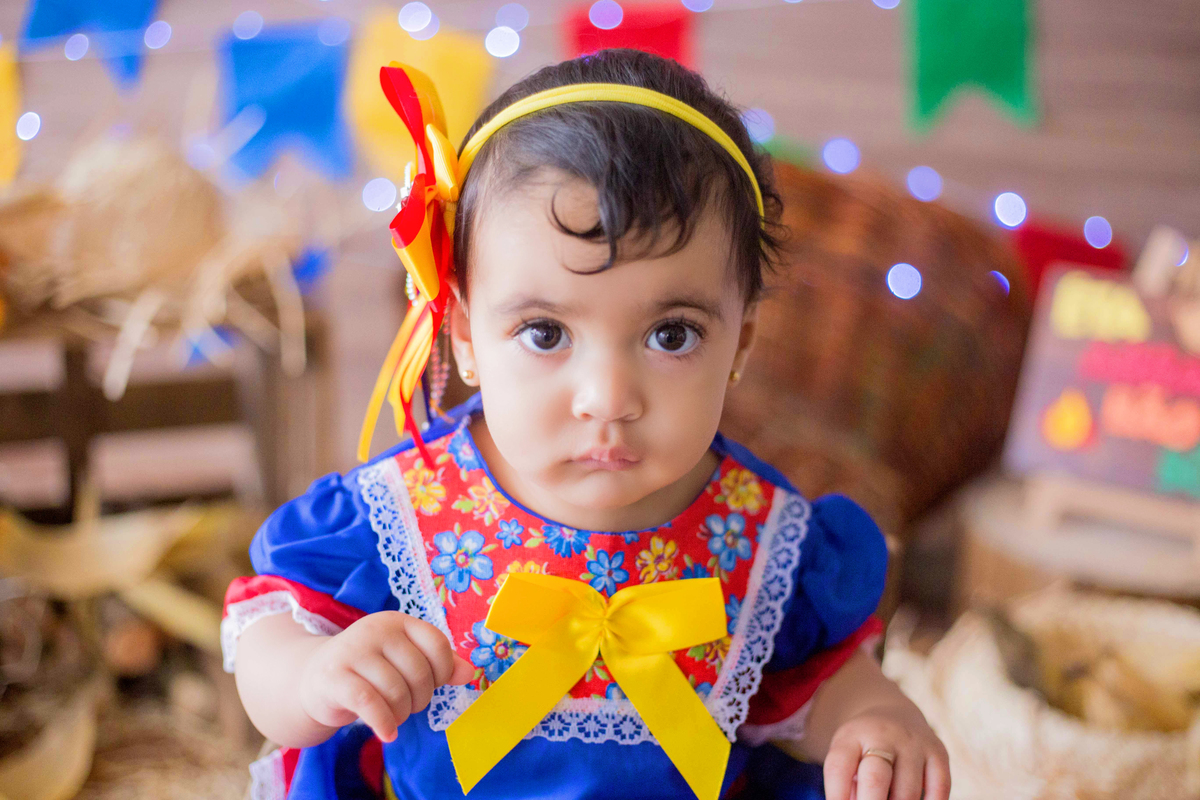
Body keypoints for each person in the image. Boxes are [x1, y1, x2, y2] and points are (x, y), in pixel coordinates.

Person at [222, 48, 950, 800]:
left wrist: (873, 720)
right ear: (466, 336)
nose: (607, 397)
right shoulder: (404, 514)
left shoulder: (763, 538)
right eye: (545, 333)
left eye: (671, 335)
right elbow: (264, 641)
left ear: (742, 341)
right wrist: (312, 678)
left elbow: (813, 688)